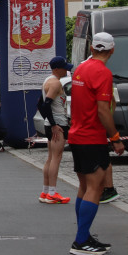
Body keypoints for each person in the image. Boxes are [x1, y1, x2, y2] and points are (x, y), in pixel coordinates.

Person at [67, 32, 125, 255]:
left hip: (77, 134)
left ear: (92, 48)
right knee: (95, 187)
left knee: (84, 187)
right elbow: (103, 109)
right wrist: (115, 137)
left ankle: (84, 234)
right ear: (112, 50)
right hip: (92, 136)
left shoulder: (81, 68)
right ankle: (81, 241)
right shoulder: (103, 72)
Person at [39, 56, 72, 204]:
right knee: (56, 158)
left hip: (51, 123)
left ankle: (45, 192)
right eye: (65, 67)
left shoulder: (47, 80)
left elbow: (40, 104)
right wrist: (54, 124)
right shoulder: (55, 83)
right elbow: (46, 105)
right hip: (58, 123)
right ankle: (52, 192)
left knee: (51, 158)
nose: (67, 70)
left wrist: (50, 122)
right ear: (57, 69)